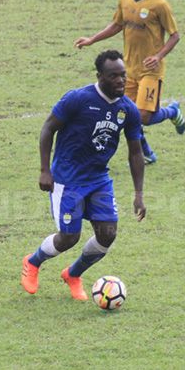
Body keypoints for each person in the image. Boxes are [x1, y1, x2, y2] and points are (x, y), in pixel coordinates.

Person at [21, 50, 147, 300]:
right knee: (69, 237)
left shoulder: (127, 109)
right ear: (100, 76)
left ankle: (73, 274)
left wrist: (139, 194)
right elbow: (48, 128)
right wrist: (45, 170)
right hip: (67, 179)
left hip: (99, 179)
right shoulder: (77, 99)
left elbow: (135, 152)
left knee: (108, 234)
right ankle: (33, 262)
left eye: (123, 75)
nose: (121, 81)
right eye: (114, 76)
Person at [75, 0, 185, 164]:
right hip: (128, 70)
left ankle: (172, 111)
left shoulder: (160, 4)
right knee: (126, 114)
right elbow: (117, 25)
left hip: (151, 70)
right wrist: (91, 39)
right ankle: (147, 153)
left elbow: (175, 35)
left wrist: (158, 56)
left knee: (143, 116)